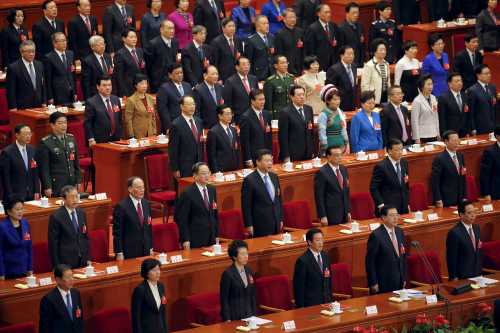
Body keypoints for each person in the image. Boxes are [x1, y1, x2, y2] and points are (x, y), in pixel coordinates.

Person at [175, 162, 220, 249]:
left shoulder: (212, 190)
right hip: (195, 238)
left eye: (208, 173)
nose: (207, 175)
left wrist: (216, 234)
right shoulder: (187, 193)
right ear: (195, 176)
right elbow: (182, 219)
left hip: (211, 236)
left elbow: (214, 214)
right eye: (203, 173)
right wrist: (185, 239)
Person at [37, 112, 81, 197]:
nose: (64, 125)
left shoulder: (71, 139)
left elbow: (76, 163)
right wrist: (47, 186)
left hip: (71, 182)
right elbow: (44, 168)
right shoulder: (46, 143)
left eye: (65, 122)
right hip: (56, 184)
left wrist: (78, 180)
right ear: (52, 125)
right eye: (60, 123)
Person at [241, 149, 283, 237]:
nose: (270, 163)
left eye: (271, 160)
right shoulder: (249, 180)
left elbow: (278, 200)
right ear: (258, 162)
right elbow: (246, 206)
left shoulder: (274, 176)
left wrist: (280, 219)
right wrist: (249, 225)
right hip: (260, 225)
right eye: (267, 161)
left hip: (275, 221)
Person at [365, 205, 406, 294]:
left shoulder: (400, 232)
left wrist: (404, 278)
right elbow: (370, 261)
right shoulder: (376, 235)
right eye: (392, 215)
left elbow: (402, 257)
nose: (395, 218)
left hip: (399, 280)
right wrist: (373, 282)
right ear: (383, 218)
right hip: (383, 282)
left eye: (396, 215)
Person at [48, 185, 90, 268]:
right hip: (66, 262)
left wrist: (88, 258)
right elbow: (53, 244)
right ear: (63, 199)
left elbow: (85, 236)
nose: (75, 200)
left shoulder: (81, 213)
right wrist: (56, 266)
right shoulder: (56, 217)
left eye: (76, 196)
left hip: (83, 260)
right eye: (71, 197)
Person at [113, 177, 153, 260]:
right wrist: (119, 252)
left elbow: (149, 228)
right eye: (139, 188)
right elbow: (117, 232)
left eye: (143, 187)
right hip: (129, 251)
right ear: (130, 189)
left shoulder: (146, 204)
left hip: (145, 249)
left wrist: (150, 247)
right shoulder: (121, 207)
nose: (142, 190)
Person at [293, 228, 332, 307]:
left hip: (326, 303)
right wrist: (301, 308)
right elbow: (299, 288)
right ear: (309, 242)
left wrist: (329, 299)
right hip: (311, 305)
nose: (321, 243)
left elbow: (329, 280)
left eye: (322, 239)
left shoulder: (325, 256)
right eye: (317, 240)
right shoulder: (303, 261)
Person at [39, 264, 84, 333]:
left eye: (72, 276)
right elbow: (45, 328)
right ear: (58, 280)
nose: (72, 280)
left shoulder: (75, 293)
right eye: (68, 277)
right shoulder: (48, 300)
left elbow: (80, 318)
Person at [370, 138, 410, 216]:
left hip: (403, 207)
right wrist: (381, 205)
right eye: (397, 150)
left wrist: (407, 203)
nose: (400, 152)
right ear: (389, 151)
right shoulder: (381, 166)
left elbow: (406, 185)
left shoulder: (404, 163)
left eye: (401, 149)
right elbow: (373, 188)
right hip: (388, 209)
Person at [0, 124, 40, 201]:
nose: (28, 136)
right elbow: (6, 176)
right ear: (17, 135)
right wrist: (9, 194)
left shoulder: (32, 149)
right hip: (16, 194)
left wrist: (37, 191)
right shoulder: (7, 152)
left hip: (31, 193)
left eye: (29, 133)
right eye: (25, 134)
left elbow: (35, 173)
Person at [220, 240, 257, 322]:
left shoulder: (249, 270)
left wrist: (254, 315)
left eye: (246, 253)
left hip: (249, 315)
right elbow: (224, 299)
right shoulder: (227, 274)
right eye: (242, 254)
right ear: (235, 256)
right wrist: (227, 319)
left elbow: (252, 295)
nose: (246, 256)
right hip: (235, 317)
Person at [314, 146, 351, 225]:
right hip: (331, 214)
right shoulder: (322, 173)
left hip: (344, 212)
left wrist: (348, 211)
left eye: (341, 155)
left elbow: (346, 192)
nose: (340, 157)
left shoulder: (343, 169)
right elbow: (319, 197)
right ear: (329, 157)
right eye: (337, 155)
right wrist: (322, 216)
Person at [168, 95, 203, 178]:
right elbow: (173, 149)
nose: (192, 107)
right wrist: (175, 169)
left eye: (193, 104)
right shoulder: (176, 124)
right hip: (184, 166)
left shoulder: (198, 121)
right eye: (189, 104)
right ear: (182, 106)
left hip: (198, 165)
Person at [446, 200, 482, 280]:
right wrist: (454, 277)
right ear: (461, 215)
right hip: (462, 277)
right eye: (469, 213)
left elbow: (477, 252)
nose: (473, 215)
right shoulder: (454, 233)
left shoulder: (477, 228)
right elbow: (451, 258)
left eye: (474, 212)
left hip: (477, 275)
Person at [6, 40, 47, 111]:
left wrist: (44, 101)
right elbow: (11, 91)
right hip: (22, 107)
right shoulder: (13, 67)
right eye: (28, 51)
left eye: (33, 51)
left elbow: (42, 85)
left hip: (39, 105)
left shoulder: (39, 65)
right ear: (21, 52)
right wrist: (13, 107)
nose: (31, 54)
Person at [278, 85, 314, 162]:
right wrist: (286, 156)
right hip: (293, 154)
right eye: (299, 95)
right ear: (292, 97)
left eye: (303, 94)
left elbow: (311, 131)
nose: (302, 97)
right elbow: (283, 137)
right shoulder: (285, 112)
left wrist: (312, 151)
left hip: (308, 153)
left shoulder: (309, 109)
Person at [131, 259, 168, 333]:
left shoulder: (161, 286)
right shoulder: (140, 290)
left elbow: (162, 311)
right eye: (154, 270)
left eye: (158, 269)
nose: (158, 273)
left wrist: (165, 329)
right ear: (146, 273)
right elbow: (136, 317)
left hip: (160, 329)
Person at [432, 130, 467, 207]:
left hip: (460, 197)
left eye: (457, 140)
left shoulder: (460, 155)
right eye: (454, 141)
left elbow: (463, 176)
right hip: (447, 199)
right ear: (446, 142)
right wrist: (438, 199)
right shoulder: (439, 159)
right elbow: (435, 181)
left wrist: (465, 196)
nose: (456, 143)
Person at [84, 75, 123, 145]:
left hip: (116, 139)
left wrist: (120, 135)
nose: (107, 88)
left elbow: (119, 119)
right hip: (99, 141)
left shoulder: (116, 99)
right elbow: (88, 123)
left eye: (109, 85)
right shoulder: (91, 102)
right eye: (104, 85)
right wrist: (91, 139)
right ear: (98, 87)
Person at [0, 198, 33, 279]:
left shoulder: (25, 223)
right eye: (17, 209)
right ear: (9, 211)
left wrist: (30, 267)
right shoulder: (2, 227)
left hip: (25, 269)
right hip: (9, 271)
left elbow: (29, 247)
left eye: (22, 208)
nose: (20, 212)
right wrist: (1, 273)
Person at [304, 4, 343, 71]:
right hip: (319, 65)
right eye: (326, 12)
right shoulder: (312, 28)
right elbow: (310, 50)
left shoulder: (333, 26)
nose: (329, 14)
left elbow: (337, 44)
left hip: (333, 64)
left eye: (329, 12)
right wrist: (313, 65)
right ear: (318, 14)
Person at [240, 89, 273, 166]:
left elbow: (269, 136)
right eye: (260, 100)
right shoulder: (246, 117)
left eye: (264, 99)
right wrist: (248, 159)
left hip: (266, 156)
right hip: (254, 157)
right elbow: (245, 141)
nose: (263, 102)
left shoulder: (267, 114)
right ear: (252, 101)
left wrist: (270, 154)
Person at [156, 63, 192, 132]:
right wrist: (168, 126)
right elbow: (162, 110)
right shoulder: (164, 88)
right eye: (177, 73)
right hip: (173, 124)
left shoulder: (187, 86)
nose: (180, 75)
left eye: (181, 72)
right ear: (170, 75)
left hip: (188, 123)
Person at [146, 20, 179, 93]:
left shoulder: (175, 42)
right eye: (169, 28)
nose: (172, 31)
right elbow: (148, 65)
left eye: (173, 28)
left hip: (172, 79)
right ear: (161, 30)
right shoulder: (153, 44)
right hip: (158, 81)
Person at [44, 32, 77, 106]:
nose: (64, 43)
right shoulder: (49, 57)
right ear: (54, 43)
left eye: (65, 40)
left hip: (71, 93)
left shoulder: (70, 54)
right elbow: (48, 79)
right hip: (58, 94)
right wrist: (50, 97)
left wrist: (75, 92)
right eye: (61, 41)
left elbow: (72, 75)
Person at [222, 57, 258, 123]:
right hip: (239, 118)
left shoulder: (254, 79)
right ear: (237, 67)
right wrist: (232, 121)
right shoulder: (230, 81)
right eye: (244, 64)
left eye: (248, 64)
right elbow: (228, 103)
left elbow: (257, 97)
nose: (247, 67)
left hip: (254, 116)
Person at [207, 105, 241, 172]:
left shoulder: (233, 130)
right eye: (227, 114)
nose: (230, 116)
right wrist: (216, 171)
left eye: (231, 113)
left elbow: (236, 149)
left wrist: (238, 166)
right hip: (221, 169)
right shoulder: (213, 132)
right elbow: (211, 155)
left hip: (234, 167)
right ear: (220, 116)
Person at [114, 30, 146, 98]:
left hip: (141, 88)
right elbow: (119, 76)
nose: (134, 39)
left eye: (135, 37)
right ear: (124, 39)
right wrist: (123, 92)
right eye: (131, 37)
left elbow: (143, 69)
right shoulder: (120, 54)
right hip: (128, 89)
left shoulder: (140, 51)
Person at [438, 72, 472, 137]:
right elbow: (442, 119)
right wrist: (445, 135)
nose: (460, 83)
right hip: (451, 134)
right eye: (457, 81)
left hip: (465, 133)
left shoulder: (465, 96)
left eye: (461, 81)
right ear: (450, 84)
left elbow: (468, 115)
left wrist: (468, 131)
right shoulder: (443, 98)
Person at [318, 85, 349, 154]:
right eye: (335, 99)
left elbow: (343, 129)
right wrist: (325, 147)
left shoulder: (340, 113)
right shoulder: (323, 114)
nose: (338, 102)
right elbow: (322, 133)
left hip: (341, 146)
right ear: (328, 101)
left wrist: (346, 142)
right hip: (329, 147)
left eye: (339, 99)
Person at [81, 35, 114, 99]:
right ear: (92, 47)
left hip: (109, 92)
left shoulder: (108, 57)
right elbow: (86, 82)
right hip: (95, 94)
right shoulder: (88, 61)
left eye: (103, 44)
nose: (102, 46)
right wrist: (88, 98)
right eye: (99, 45)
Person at [124, 74, 157, 139]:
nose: (144, 86)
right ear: (136, 85)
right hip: (138, 134)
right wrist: (131, 135)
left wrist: (154, 131)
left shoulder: (150, 98)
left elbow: (153, 116)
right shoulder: (131, 100)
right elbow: (128, 120)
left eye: (145, 83)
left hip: (150, 133)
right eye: (141, 84)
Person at [210, 18, 244, 82]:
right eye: (229, 26)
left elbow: (241, 56)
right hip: (224, 77)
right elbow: (215, 62)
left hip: (237, 75)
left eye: (233, 26)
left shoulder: (238, 40)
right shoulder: (216, 42)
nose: (232, 28)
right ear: (223, 28)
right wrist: (218, 78)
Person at [326, 46, 358, 112]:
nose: (351, 56)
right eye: (349, 54)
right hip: (340, 105)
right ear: (342, 55)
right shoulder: (334, 69)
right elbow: (330, 89)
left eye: (352, 54)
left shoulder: (354, 66)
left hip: (352, 104)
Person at [467, 64, 497, 135]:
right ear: (478, 75)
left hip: (493, 126)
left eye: (489, 73)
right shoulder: (472, 90)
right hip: (480, 127)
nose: (489, 75)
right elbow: (471, 112)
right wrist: (473, 128)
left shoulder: (492, 87)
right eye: (486, 73)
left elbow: (495, 107)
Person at [274, 8, 304, 76]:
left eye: (294, 17)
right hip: (287, 68)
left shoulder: (300, 32)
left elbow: (303, 50)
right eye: (290, 17)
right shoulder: (280, 34)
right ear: (284, 20)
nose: (293, 19)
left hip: (300, 67)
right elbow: (279, 54)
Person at [245, 15, 275, 82]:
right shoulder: (251, 40)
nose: (267, 25)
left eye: (267, 23)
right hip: (259, 76)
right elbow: (248, 61)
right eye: (264, 23)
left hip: (272, 74)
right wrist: (252, 78)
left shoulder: (271, 37)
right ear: (257, 26)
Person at [361, 38, 391, 105]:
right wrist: (368, 100)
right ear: (374, 51)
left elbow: (388, 82)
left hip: (385, 97)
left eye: (384, 50)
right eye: (381, 50)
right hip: (374, 98)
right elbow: (364, 85)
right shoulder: (369, 65)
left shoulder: (386, 64)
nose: (383, 52)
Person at [411, 74, 440, 143]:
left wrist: (438, 132)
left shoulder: (433, 98)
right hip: (422, 136)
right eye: (428, 84)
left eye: (432, 84)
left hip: (434, 133)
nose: (431, 87)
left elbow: (436, 117)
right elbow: (414, 121)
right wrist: (417, 138)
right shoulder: (417, 101)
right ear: (422, 86)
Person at [264, 55, 294, 119]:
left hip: (291, 112)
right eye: (282, 63)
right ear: (276, 66)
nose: (285, 65)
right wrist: (270, 116)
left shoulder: (291, 78)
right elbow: (268, 102)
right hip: (278, 114)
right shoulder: (271, 81)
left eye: (286, 62)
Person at [339, 2, 365, 67]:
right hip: (348, 64)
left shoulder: (360, 26)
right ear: (347, 13)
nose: (356, 15)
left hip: (360, 63)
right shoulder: (341, 28)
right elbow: (341, 50)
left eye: (357, 13)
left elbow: (362, 45)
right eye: (353, 13)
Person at [480, 126, 500, 201]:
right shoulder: (490, 152)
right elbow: (485, 175)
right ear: (497, 136)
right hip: (497, 191)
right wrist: (486, 193)